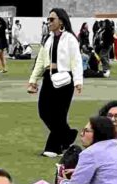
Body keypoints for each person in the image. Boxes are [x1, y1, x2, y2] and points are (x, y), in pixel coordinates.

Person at [27, 8, 81, 158]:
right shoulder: (47, 40)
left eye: (52, 19)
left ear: (61, 21)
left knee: (59, 115)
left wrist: (78, 81)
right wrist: (33, 80)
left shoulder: (70, 39)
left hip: (65, 80)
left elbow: (76, 61)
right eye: (48, 19)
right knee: (43, 111)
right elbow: (40, 62)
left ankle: (53, 148)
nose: (49, 22)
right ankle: (68, 136)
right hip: (49, 78)